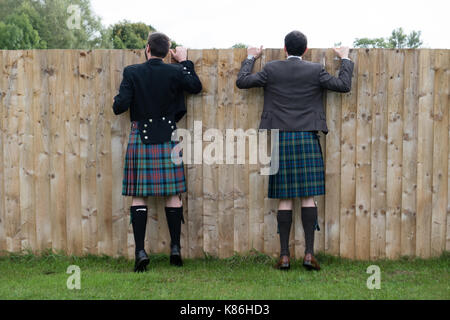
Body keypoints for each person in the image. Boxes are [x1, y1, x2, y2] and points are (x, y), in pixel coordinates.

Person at [236, 30, 354, 271]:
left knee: (285, 198)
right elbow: (343, 85)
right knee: (308, 196)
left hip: (282, 139)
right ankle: (309, 255)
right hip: (308, 137)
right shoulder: (315, 70)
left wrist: (250, 58)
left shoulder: (271, 69)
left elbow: (243, 82)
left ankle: (284, 256)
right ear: (306, 49)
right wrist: (346, 59)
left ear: (284, 49)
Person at [113, 32, 202, 272]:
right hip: (168, 137)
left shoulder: (132, 72)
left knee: (139, 195)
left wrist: (120, 98)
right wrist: (184, 62)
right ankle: (175, 248)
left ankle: (140, 252)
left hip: (140, 136)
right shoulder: (175, 71)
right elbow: (195, 86)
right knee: (173, 193)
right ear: (167, 52)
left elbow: (119, 107)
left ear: (147, 48)